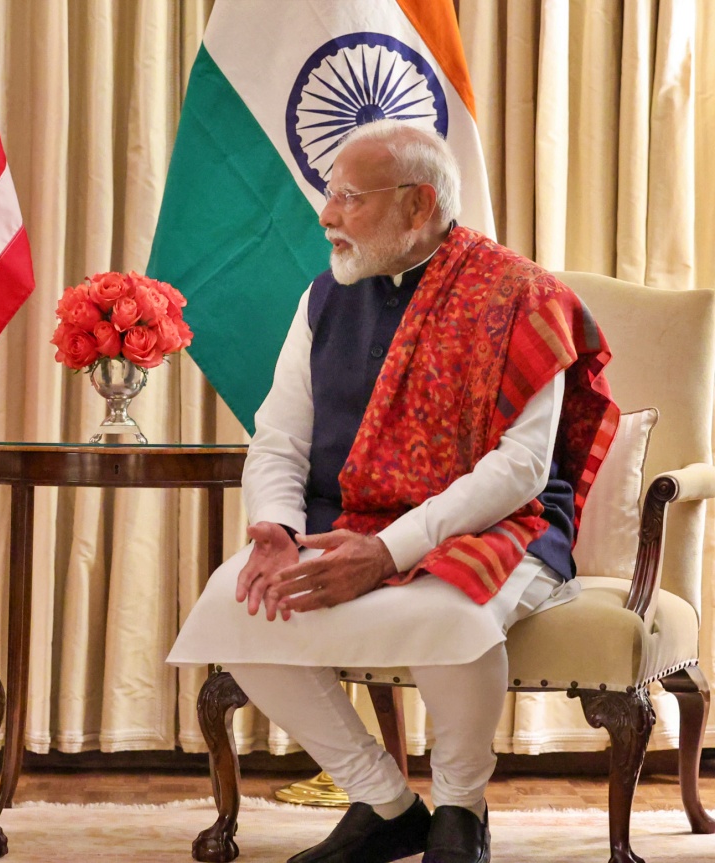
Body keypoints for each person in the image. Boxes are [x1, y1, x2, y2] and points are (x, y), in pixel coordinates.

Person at [168, 120, 618, 863]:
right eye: (329, 193)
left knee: (448, 606)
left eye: (349, 196)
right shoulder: (322, 298)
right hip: (345, 520)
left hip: (503, 525)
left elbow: (522, 470)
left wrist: (387, 551)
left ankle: (462, 814)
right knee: (234, 603)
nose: (326, 215)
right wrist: (276, 527)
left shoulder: (521, 296)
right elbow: (279, 437)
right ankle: (386, 803)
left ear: (417, 206)